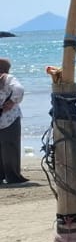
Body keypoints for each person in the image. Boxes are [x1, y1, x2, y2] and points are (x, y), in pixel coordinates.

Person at [0, 57, 25, 186]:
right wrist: (11, 102)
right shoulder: (8, 78)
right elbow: (19, 90)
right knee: (11, 147)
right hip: (9, 118)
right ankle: (13, 176)